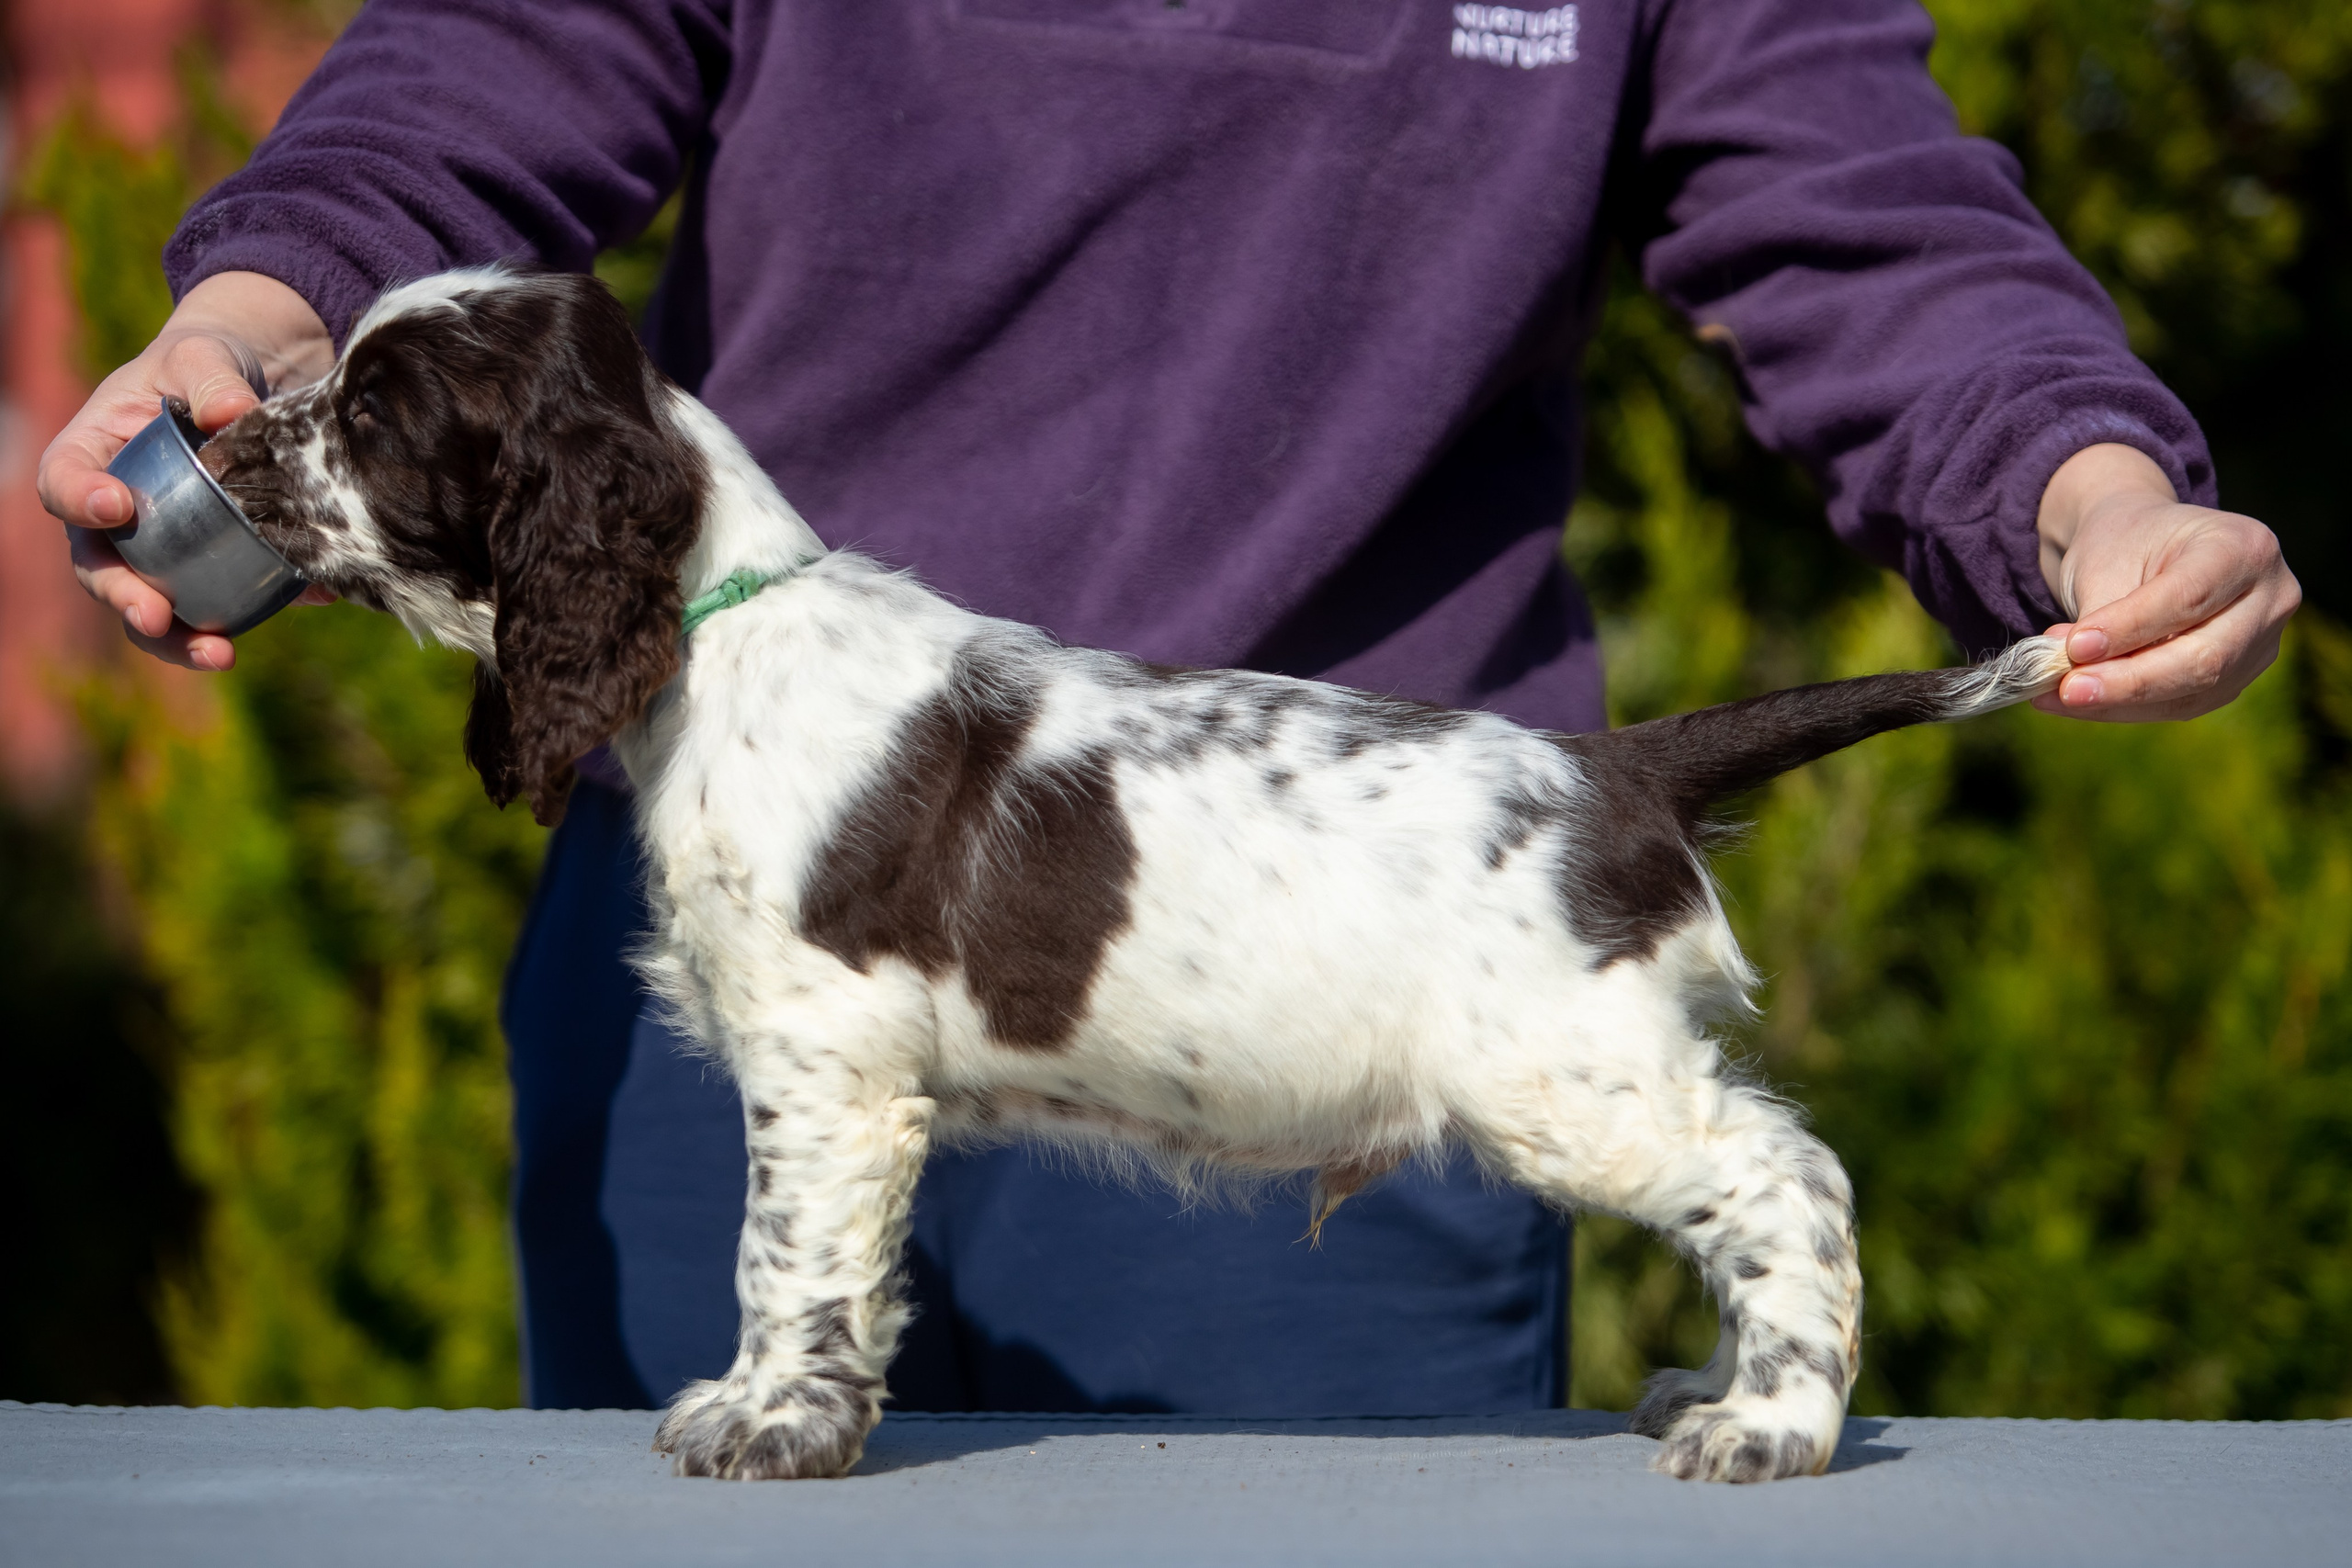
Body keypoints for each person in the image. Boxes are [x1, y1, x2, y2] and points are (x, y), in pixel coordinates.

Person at [40, 0, 2298, 1415]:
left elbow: (1861, 215)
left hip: (1340, 970)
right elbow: (484, 61)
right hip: (735, 959)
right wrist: (247, 336)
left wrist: (2080, 497)